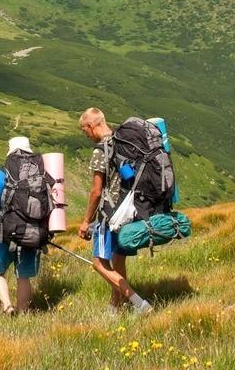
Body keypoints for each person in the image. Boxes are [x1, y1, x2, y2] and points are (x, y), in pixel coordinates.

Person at [77, 108, 153, 314]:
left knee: (99, 264)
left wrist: (86, 221)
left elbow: (96, 191)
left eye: (85, 131)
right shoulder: (125, 143)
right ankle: (115, 306)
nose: (87, 136)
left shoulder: (101, 150)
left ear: (91, 127)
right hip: (130, 212)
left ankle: (140, 304)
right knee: (118, 261)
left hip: (109, 215)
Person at [0, 136, 43, 315]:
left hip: (4, 232)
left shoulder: (2, 174)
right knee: (24, 276)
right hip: (32, 232)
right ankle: (23, 313)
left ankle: (7, 306)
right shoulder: (40, 173)